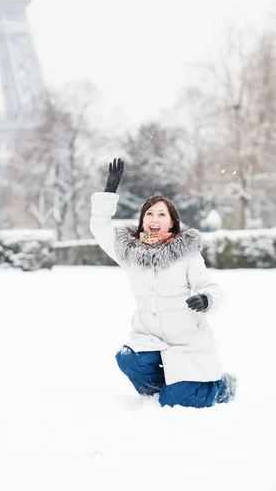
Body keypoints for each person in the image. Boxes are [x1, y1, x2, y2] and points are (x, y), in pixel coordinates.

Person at [90, 158, 237, 408]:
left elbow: (210, 287)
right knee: (128, 358)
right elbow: (99, 227)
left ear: (172, 222)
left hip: (185, 340)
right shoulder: (129, 253)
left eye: (161, 214)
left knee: (175, 401)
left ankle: (221, 387)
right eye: (149, 213)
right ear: (142, 221)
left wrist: (205, 300)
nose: (154, 218)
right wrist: (109, 191)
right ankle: (166, 384)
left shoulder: (186, 253)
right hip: (149, 336)